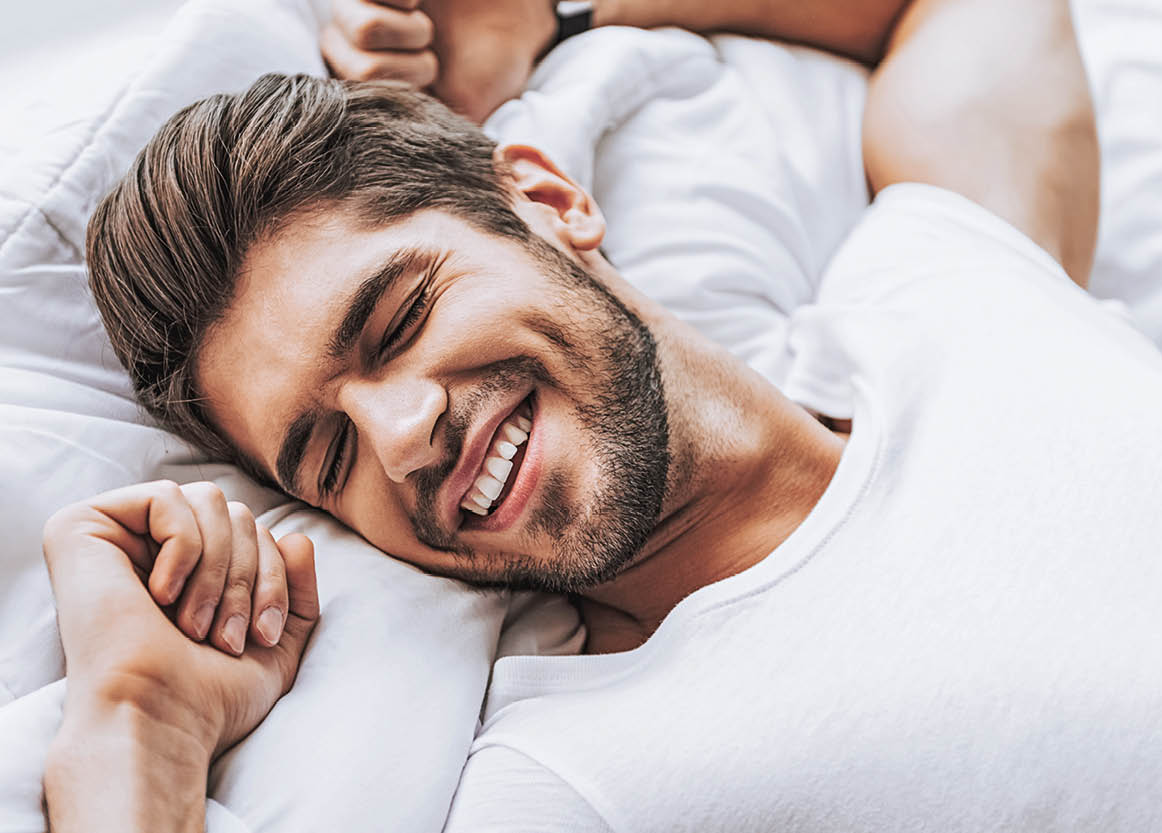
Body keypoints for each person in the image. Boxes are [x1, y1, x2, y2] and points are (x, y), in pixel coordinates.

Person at [44, 0, 1162, 829]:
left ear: (546, 196)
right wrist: (141, 721)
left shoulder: (946, 284)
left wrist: (553, 13)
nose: (399, 437)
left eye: (396, 319)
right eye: (329, 454)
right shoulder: (581, 782)